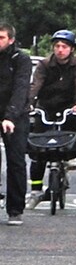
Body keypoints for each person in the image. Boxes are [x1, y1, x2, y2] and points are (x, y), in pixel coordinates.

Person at [27, 32, 76, 197]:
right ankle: (35, 190)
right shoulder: (44, 65)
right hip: (46, 106)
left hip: (69, 106)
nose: (60, 50)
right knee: (37, 146)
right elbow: (36, 84)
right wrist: (30, 103)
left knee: (75, 123)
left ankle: (71, 156)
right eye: (57, 46)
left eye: (64, 46)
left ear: (72, 49)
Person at [0, 27, 33, 223]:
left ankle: (15, 209)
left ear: (11, 40)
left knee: (16, 161)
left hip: (16, 114)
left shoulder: (20, 59)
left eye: (1, 37)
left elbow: (21, 89)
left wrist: (10, 117)